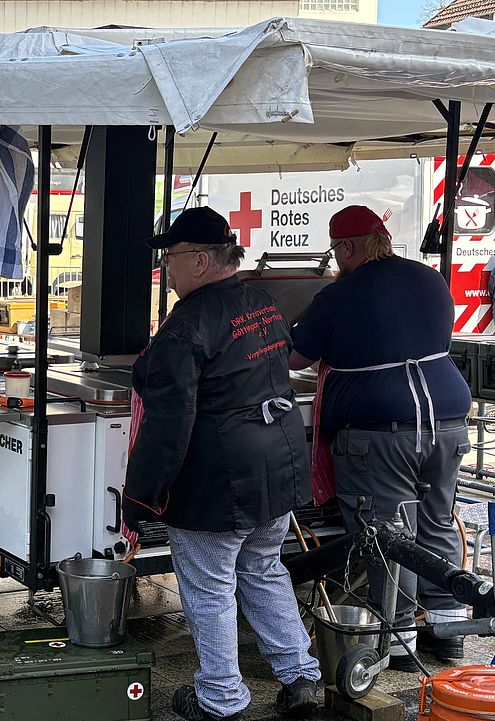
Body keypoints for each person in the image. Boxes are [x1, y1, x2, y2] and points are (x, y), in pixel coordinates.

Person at [122, 207, 320, 721]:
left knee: (210, 587)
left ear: (203, 260)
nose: (166, 268)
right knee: (263, 567)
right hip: (276, 464)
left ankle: (220, 697)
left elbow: (169, 422)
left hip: (220, 476)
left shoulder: (187, 323)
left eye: (172, 257)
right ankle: (300, 677)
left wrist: (141, 496)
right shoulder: (263, 303)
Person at [290, 205, 472, 670]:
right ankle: (449, 631)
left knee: (385, 533)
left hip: (381, 433)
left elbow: (295, 358)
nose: (335, 259)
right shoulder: (431, 279)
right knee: (436, 522)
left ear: (347, 247)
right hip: (447, 421)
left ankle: (397, 640)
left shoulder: (342, 294)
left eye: (336, 250)